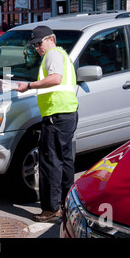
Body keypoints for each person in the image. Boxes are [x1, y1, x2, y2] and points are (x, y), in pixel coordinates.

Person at [14, 25, 79, 222]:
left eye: (38, 43)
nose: (36, 48)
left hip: (56, 116)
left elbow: (55, 79)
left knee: (50, 163)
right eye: (33, 45)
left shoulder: (52, 55)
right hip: (66, 113)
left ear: (50, 39)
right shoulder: (61, 55)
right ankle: (67, 203)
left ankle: (52, 209)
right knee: (65, 160)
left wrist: (29, 86)